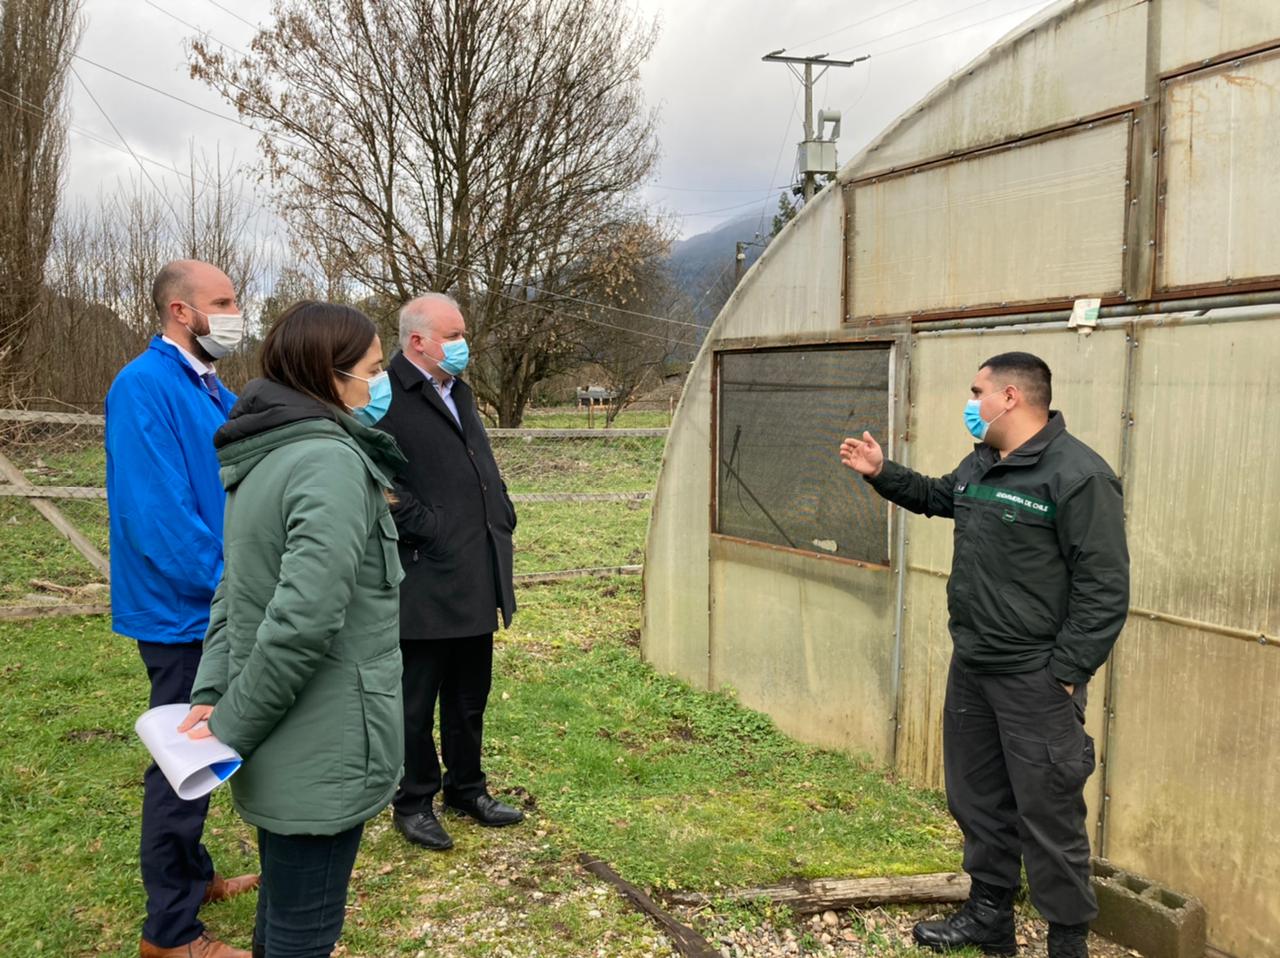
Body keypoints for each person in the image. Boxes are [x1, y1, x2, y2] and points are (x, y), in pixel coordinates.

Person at [840, 352, 1129, 958]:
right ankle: (990, 918)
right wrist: (880, 471)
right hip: (973, 666)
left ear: (1011, 398)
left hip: (1035, 679)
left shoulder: (1077, 476)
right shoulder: (984, 464)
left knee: (1050, 816)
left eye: (977, 392)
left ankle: (1067, 943)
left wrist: (1067, 674)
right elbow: (940, 497)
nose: (970, 404)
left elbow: (1104, 589)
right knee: (978, 799)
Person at [180, 301, 408, 958]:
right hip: (322, 742)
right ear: (330, 376)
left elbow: (235, 589)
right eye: (372, 369)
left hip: (288, 742)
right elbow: (300, 622)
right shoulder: (326, 461)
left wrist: (214, 692)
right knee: (303, 932)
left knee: (284, 913)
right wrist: (229, 727)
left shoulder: (265, 453)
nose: (381, 380)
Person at [105, 259, 258, 958]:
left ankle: (193, 879)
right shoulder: (144, 387)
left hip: (214, 602)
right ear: (179, 312)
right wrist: (232, 584)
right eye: (222, 302)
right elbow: (159, 516)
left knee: (204, 744)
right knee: (182, 760)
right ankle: (169, 932)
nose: (235, 312)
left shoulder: (208, 386)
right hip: (182, 607)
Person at [377, 292, 523, 851]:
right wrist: (431, 528)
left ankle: (467, 787)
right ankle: (413, 800)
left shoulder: (457, 389)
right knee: (415, 700)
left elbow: (478, 464)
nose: (463, 345)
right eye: (454, 335)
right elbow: (383, 486)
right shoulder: (385, 395)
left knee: (468, 695)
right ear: (418, 341)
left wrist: (500, 509)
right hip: (425, 575)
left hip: (475, 568)